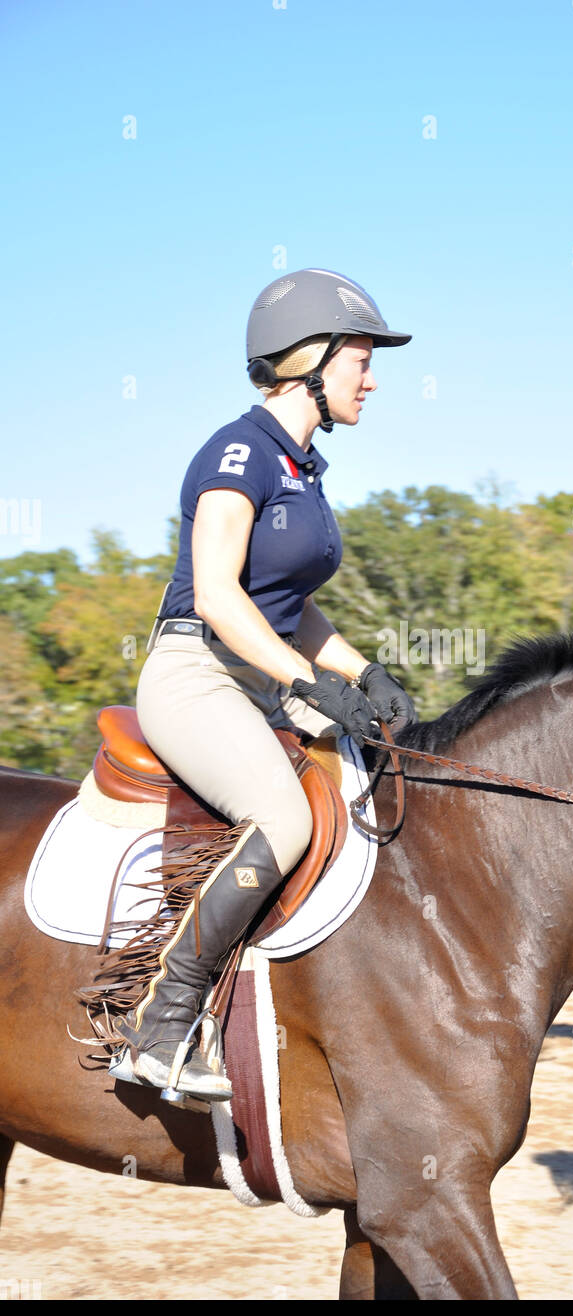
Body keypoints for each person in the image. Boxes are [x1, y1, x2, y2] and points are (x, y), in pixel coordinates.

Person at [109, 269, 416, 1103]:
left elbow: (292, 608)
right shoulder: (236, 451)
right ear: (311, 359)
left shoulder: (303, 468)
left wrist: (362, 673)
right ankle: (161, 1025)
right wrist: (303, 681)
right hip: (194, 672)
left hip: (256, 675)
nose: (373, 377)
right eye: (361, 358)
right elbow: (217, 595)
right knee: (281, 818)